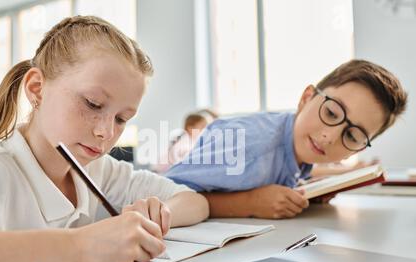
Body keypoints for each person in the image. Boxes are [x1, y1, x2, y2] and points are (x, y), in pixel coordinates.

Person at [0, 16, 209, 262]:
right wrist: (81, 247)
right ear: (37, 89)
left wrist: (155, 216)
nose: (106, 132)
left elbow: (193, 201)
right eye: (93, 104)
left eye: (121, 119)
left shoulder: (98, 169)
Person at [166, 59, 407, 219]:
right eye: (331, 112)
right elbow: (164, 195)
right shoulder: (249, 145)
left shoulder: (300, 151)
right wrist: (250, 203)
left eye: (353, 136)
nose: (330, 136)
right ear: (306, 98)